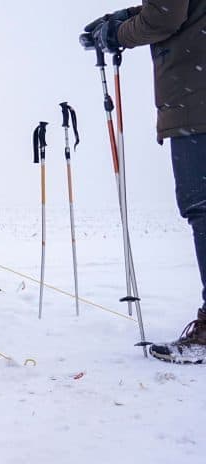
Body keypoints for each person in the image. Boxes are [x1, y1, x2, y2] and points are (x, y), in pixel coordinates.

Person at [82, 1, 206, 363]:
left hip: (196, 105)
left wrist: (118, 33)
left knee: (202, 208)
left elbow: (165, 15)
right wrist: (126, 19)